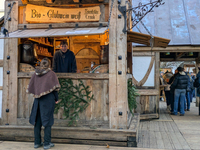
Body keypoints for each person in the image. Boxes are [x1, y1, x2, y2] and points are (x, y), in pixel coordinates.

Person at [27, 58, 60, 149]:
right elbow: (55, 89)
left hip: (37, 99)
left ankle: (37, 142)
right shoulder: (51, 74)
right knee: (48, 121)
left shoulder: (35, 73)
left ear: (41, 64)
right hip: (48, 99)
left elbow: (31, 86)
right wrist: (56, 99)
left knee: (37, 121)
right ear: (49, 65)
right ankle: (47, 143)